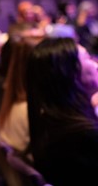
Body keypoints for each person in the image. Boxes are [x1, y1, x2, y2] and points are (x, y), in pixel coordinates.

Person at [26, 37, 98, 185]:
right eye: (88, 58)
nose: (96, 64)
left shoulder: (52, 120)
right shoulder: (80, 137)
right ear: (71, 75)